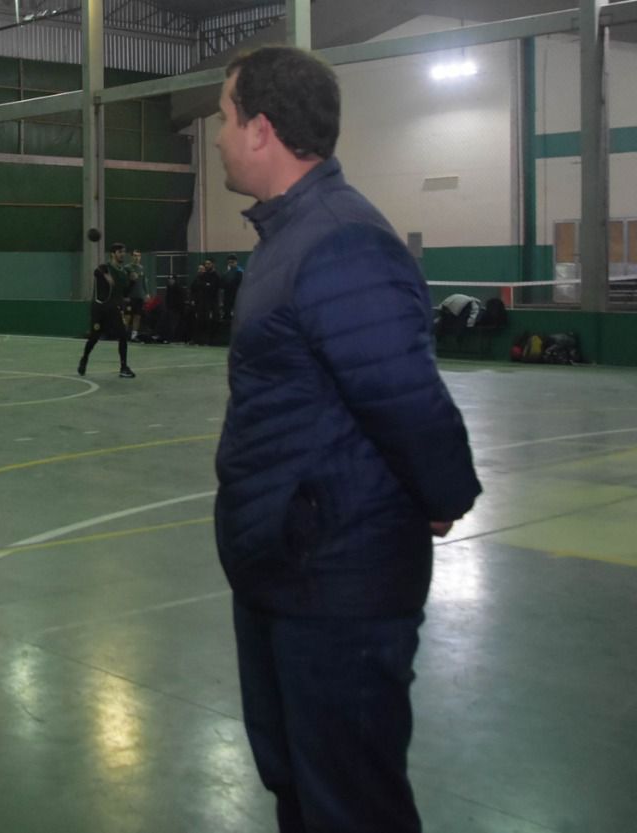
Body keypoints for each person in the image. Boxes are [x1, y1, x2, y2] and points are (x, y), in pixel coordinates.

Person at [211, 46, 481, 833]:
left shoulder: (338, 242)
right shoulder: (290, 238)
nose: (219, 137)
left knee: (351, 805)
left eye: (225, 118)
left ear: (261, 129)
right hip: (284, 571)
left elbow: (405, 397)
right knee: (301, 786)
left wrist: (443, 495)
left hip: (338, 583)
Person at [77, 242, 135, 378]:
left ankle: (123, 367)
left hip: (114, 309)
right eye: (120, 252)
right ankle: (84, 358)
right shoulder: (106, 267)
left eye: (123, 252)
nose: (122, 254)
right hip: (100, 309)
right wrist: (106, 275)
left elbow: (125, 292)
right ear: (113, 254)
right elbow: (97, 271)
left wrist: (132, 281)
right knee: (94, 337)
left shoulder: (123, 272)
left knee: (123, 335)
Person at [123, 248, 149, 342]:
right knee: (127, 316)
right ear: (131, 257)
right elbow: (124, 282)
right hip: (130, 297)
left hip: (139, 297)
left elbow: (144, 282)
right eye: (135, 255)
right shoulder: (127, 267)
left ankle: (134, 336)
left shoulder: (142, 268)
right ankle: (124, 335)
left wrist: (146, 293)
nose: (137, 257)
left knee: (137, 316)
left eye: (138, 256)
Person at [187, 261, 216, 345]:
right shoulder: (196, 279)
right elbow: (192, 290)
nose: (200, 270)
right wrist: (192, 300)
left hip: (206, 304)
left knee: (206, 322)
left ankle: (205, 340)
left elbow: (210, 288)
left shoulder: (208, 277)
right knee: (197, 322)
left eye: (201, 269)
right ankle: (196, 339)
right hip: (198, 304)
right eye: (199, 269)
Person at [221, 253, 243, 322]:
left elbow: (237, 284)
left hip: (236, 295)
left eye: (232, 262)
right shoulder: (227, 272)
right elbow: (222, 284)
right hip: (228, 295)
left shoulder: (240, 272)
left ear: (236, 262)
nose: (231, 264)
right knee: (227, 311)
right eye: (229, 262)